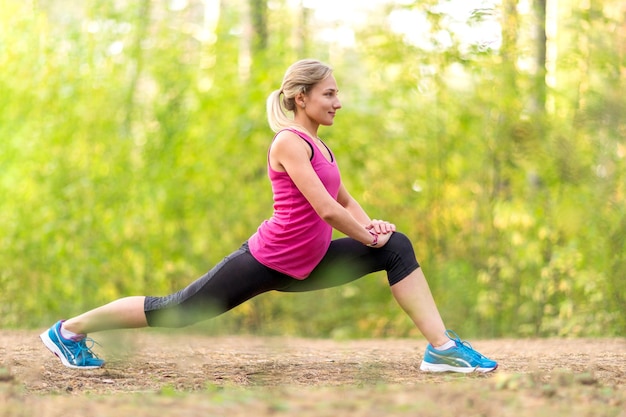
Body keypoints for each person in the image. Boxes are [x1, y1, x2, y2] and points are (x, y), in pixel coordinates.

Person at [40, 59, 497, 374]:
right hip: (268, 260)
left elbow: (343, 197)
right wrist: (362, 234)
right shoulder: (288, 142)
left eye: (338, 94)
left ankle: (442, 350)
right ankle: (68, 330)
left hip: (311, 261)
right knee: (175, 309)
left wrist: (373, 227)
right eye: (330, 93)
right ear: (300, 97)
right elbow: (325, 209)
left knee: (397, 246)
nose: (338, 102)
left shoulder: (321, 145)